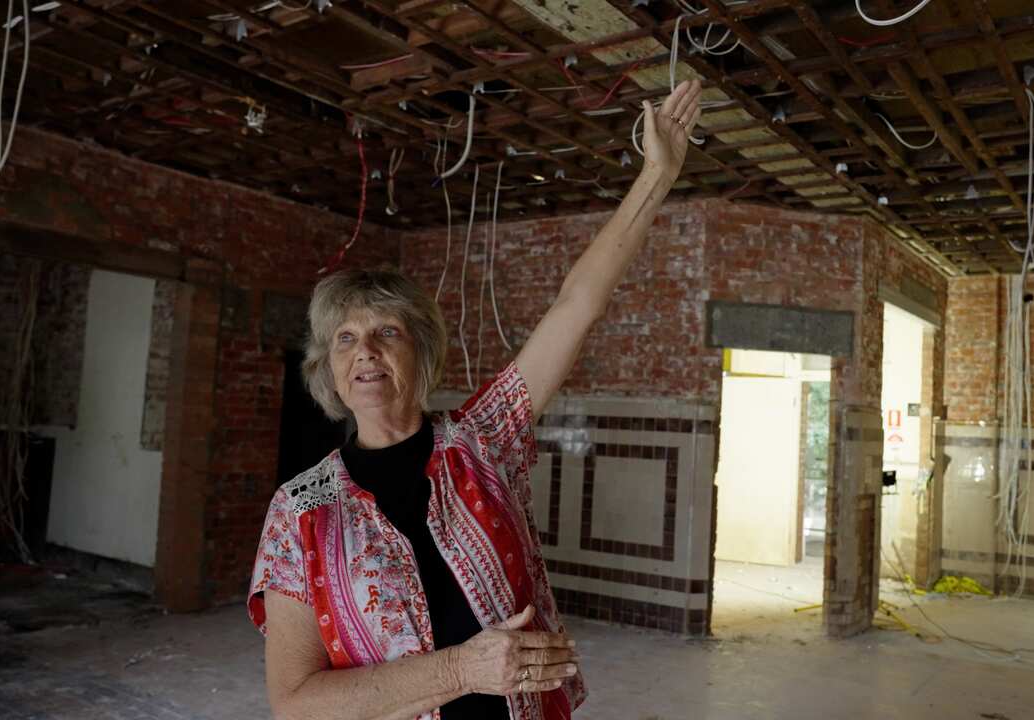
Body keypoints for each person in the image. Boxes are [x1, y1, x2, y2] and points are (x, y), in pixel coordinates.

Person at [247, 79, 704, 720]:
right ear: (329, 367)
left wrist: (656, 176)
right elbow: (295, 705)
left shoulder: (483, 440)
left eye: (386, 332)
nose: (365, 352)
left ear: (421, 353)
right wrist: (465, 668)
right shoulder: (300, 513)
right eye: (345, 338)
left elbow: (576, 306)